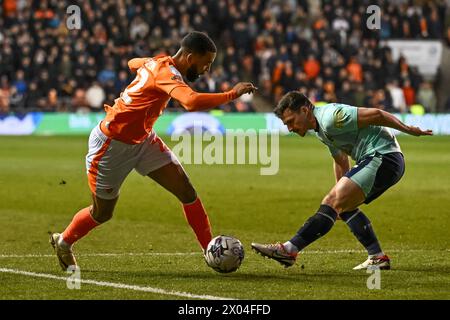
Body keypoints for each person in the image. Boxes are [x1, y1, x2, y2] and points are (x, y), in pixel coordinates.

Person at [50, 31, 256, 271]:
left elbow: (131, 63)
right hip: (111, 146)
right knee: (102, 213)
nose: (206, 70)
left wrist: (145, 64)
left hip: (144, 140)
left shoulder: (157, 63)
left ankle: (210, 251)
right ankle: (63, 242)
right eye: (206, 64)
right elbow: (190, 102)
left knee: (186, 191)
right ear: (190, 57)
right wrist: (232, 94)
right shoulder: (165, 72)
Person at [252, 91, 432, 270]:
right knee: (342, 206)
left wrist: (408, 129)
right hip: (381, 160)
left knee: (332, 201)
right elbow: (340, 160)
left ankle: (289, 250)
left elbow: (377, 115)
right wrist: (340, 192)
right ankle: (377, 257)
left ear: (305, 111)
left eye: (291, 122)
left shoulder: (331, 118)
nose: (290, 128)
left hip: (383, 156)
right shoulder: (321, 130)